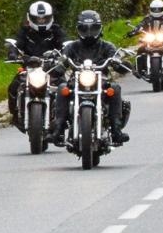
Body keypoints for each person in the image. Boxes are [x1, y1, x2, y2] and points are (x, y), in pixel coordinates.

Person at [55, 10, 130, 146]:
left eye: (93, 29)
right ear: (79, 29)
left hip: (102, 80)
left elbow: (116, 58)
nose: (89, 33)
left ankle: (116, 130)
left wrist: (118, 63)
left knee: (114, 89)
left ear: (99, 28)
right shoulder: (72, 46)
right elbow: (62, 59)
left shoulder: (107, 46)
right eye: (84, 29)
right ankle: (57, 129)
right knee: (62, 89)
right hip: (76, 80)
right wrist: (59, 65)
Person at [7, 0, 66, 128]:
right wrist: (13, 53)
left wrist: (65, 54)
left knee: (65, 87)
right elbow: (16, 44)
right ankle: (15, 115)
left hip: (51, 67)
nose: (41, 21)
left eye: (44, 18)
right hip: (29, 67)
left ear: (50, 17)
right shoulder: (25, 31)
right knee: (13, 86)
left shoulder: (56, 30)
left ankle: (64, 117)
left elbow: (65, 44)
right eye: (38, 19)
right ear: (31, 18)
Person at [126, 0, 163, 76]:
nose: (157, 11)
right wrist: (134, 31)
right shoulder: (147, 18)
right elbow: (140, 25)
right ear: (151, 9)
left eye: (159, 9)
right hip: (150, 39)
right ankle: (137, 68)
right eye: (154, 9)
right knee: (140, 49)